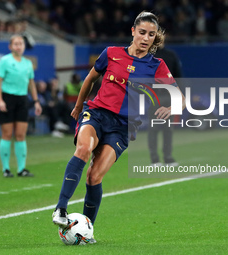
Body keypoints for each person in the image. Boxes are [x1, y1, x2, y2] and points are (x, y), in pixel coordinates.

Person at [52, 11, 186, 243]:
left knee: (94, 176)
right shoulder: (111, 53)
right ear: (133, 31)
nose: (145, 38)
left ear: (155, 38)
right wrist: (79, 104)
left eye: (151, 35)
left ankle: (85, 231)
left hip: (123, 127)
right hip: (96, 114)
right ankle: (61, 209)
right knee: (83, 150)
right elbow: (91, 78)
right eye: (142, 32)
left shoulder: (157, 65)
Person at [0, 34, 42, 178]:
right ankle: (6, 169)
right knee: (7, 134)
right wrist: (0, 100)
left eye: (21, 43)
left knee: (21, 134)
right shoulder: (4, 61)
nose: (19, 46)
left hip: (22, 99)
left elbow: (31, 83)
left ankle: (21, 169)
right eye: (16, 44)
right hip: (8, 98)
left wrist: (36, 101)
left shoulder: (27, 63)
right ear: (10, 46)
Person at [148, 46, 183, 167]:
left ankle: (165, 158)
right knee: (155, 129)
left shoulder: (169, 55)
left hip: (167, 96)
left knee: (166, 129)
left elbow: (178, 76)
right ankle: (156, 159)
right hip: (155, 96)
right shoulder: (148, 55)